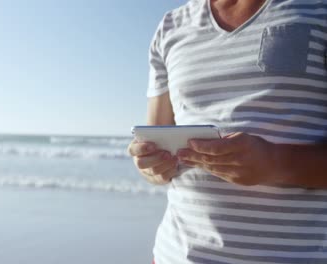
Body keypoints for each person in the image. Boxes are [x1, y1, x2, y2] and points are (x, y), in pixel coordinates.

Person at [128, 0, 327, 263]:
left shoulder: (318, 10)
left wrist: (276, 163)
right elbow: (156, 150)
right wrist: (150, 165)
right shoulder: (170, 26)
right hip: (174, 254)